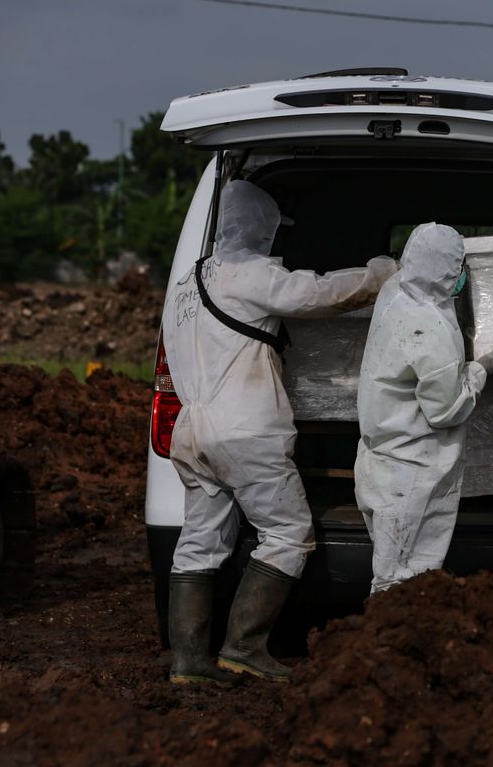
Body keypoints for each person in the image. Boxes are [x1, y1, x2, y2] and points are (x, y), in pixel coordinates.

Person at [162, 180, 398, 685]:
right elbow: (316, 294)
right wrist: (379, 275)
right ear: (259, 228)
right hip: (245, 430)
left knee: (198, 543)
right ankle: (243, 647)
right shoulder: (250, 276)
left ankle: (187, 662)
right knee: (288, 532)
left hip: (192, 431)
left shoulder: (185, 283)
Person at [354, 223, 493, 594]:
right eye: (458, 267)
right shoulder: (430, 328)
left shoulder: (396, 290)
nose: (461, 276)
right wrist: (480, 370)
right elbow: (445, 410)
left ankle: (394, 647)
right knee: (403, 583)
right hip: (413, 471)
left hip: (380, 459)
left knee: (396, 572)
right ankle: (386, 650)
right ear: (445, 270)